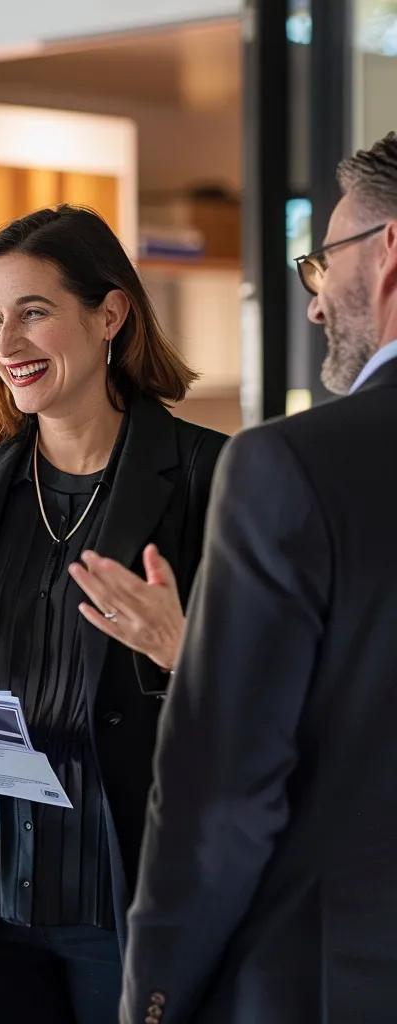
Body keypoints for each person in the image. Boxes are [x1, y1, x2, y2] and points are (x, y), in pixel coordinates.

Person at [0, 205, 228, 1024]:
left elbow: (256, 700)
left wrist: (182, 648)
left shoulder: (210, 476)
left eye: (33, 312)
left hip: (127, 901)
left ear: (110, 315)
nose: (6, 344)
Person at [120, 133, 397, 1023]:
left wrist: (154, 998)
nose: (316, 304)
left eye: (324, 263)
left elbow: (223, 795)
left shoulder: (293, 466)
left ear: (389, 253)